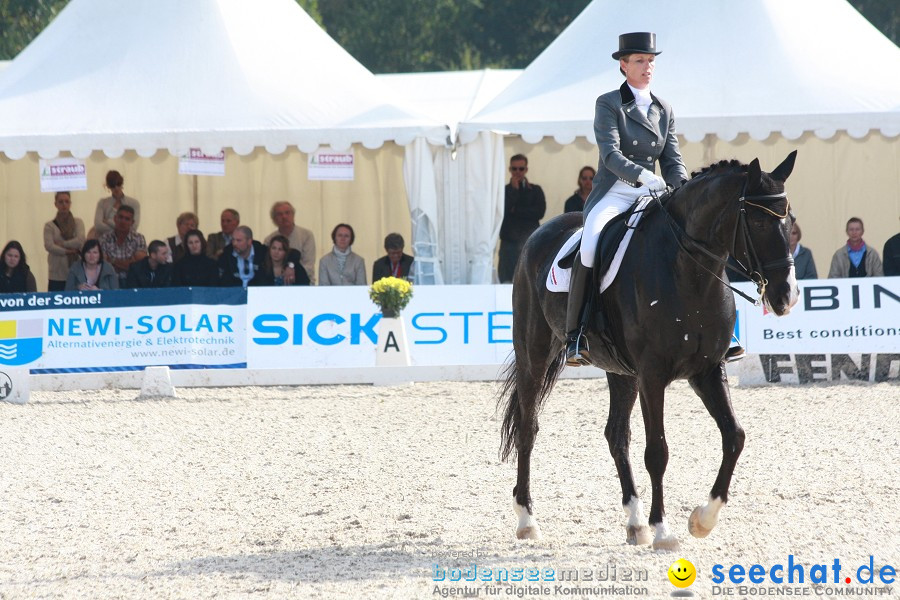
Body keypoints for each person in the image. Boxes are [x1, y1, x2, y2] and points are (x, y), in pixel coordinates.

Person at [565, 32, 691, 366]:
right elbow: (610, 154)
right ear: (624, 65)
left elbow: (673, 160)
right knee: (590, 244)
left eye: (651, 61)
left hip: (654, 193)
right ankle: (575, 334)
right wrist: (642, 176)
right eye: (639, 60)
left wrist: (684, 190)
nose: (647, 67)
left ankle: (709, 326)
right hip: (616, 191)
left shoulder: (664, 108)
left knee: (691, 237)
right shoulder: (608, 103)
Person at [498, 154, 545, 283]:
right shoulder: (504, 191)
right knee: (507, 280)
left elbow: (539, 212)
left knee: (530, 280)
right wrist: (513, 191)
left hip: (529, 240)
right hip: (509, 243)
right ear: (510, 169)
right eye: (514, 169)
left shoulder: (535, 190)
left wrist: (516, 210)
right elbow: (503, 211)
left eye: (521, 169)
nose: (517, 172)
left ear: (526, 170)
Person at [264, 201, 316, 284]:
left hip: (303, 283)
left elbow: (308, 265)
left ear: (293, 215)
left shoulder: (306, 235)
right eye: (279, 214)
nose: (284, 216)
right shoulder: (269, 240)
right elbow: (268, 265)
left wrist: (291, 271)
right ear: (274, 219)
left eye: (287, 213)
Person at [43, 191, 86, 291]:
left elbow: (80, 241)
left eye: (67, 201)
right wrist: (68, 251)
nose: (64, 205)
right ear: (55, 204)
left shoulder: (78, 222)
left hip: (76, 270)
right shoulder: (49, 226)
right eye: (61, 202)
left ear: (70, 203)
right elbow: (49, 246)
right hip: (56, 274)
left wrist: (62, 244)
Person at [99, 205, 147, 286]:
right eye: (120, 217)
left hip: (133, 282)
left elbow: (139, 267)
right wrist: (129, 262)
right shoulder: (104, 238)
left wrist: (112, 260)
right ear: (115, 218)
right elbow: (103, 266)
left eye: (127, 219)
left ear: (132, 222)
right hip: (108, 282)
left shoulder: (139, 238)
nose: (123, 221)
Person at [93, 170, 140, 237]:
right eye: (112, 185)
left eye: (118, 184)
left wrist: (108, 221)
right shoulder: (102, 203)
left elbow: (133, 228)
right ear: (108, 186)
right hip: (105, 242)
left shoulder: (134, 203)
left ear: (122, 183)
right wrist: (123, 229)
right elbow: (98, 226)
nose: (116, 188)